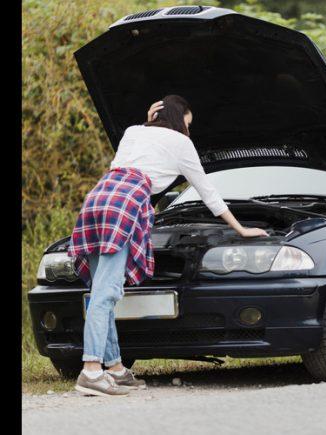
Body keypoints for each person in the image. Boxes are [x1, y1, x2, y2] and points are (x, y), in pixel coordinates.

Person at [68, 95, 269, 396]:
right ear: (179, 120)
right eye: (188, 124)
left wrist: (146, 117)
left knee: (102, 289)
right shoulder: (181, 143)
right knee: (106, 293)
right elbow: (206, 190)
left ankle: (115, 369)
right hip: (125, 202)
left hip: (98, 198)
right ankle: (92, 370)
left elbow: (140, 151)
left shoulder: (133, 132)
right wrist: (239, 227)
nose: (189, 130)